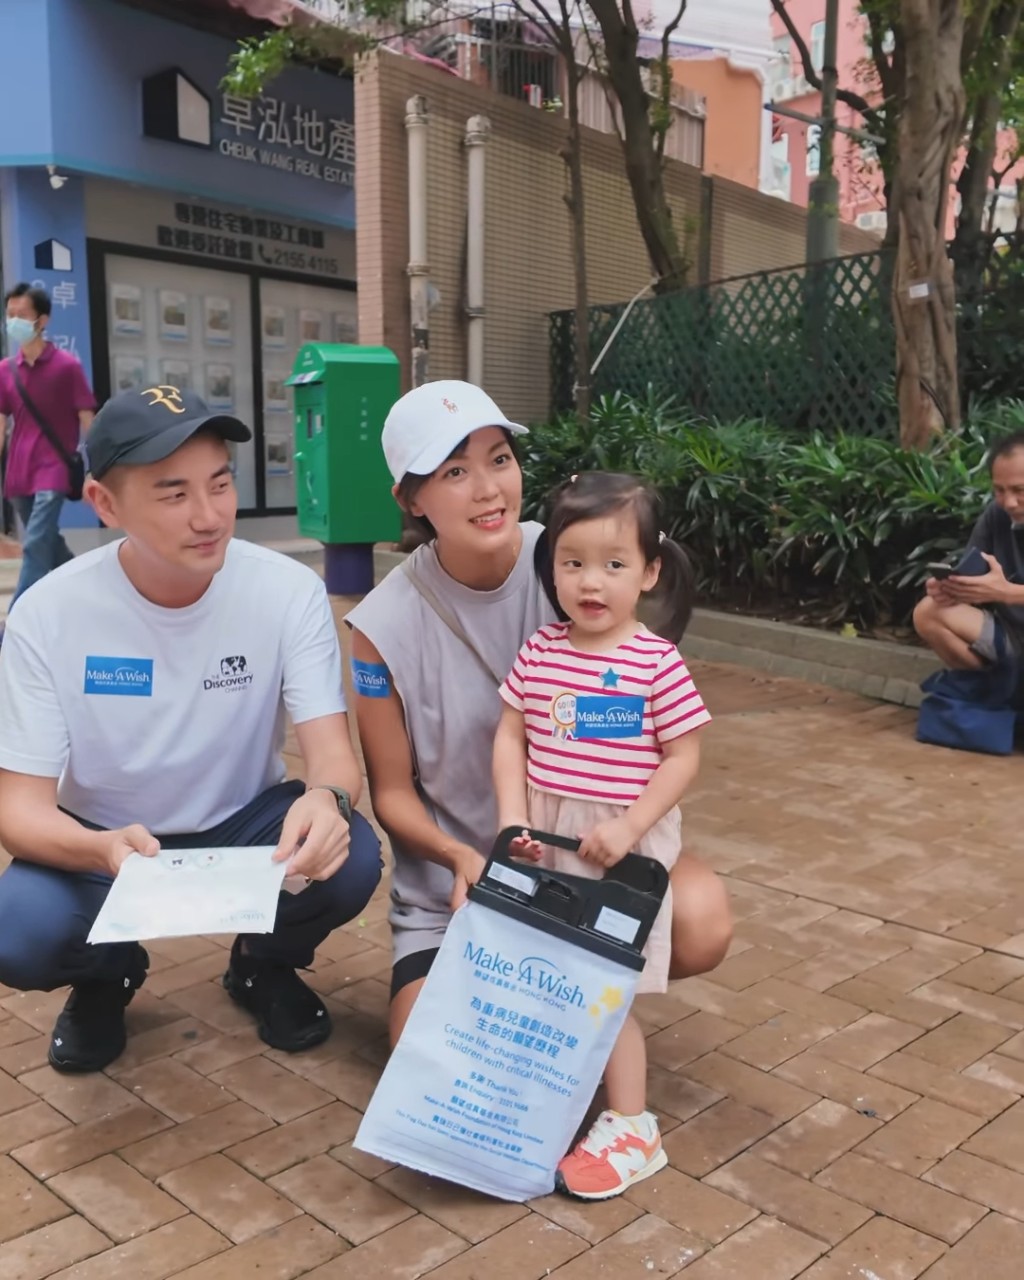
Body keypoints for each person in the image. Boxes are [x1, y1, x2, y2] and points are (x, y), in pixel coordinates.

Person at [347, 380, 731, 1066]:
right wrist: (467, 859)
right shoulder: (381, 624)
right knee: (427, 1059)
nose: (488, 488)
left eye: (499, 459)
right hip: (462, 887)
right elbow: (393, 795)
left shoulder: (570, 556)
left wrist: (627, 826)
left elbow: (648, 660)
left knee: (701, 921)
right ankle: (551, 1016)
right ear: (411, 498)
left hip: (581, 862)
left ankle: (572, 1007)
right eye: (455, 472)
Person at [0, 385, 382, 1074]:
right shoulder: (48, 614)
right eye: (173, 494)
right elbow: (19, 812)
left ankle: (261, 964)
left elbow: (334, 758)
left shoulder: (285, 591)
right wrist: (100, 849)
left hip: (244, 824)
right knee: (20, 931)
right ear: (107, 504)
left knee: (349, 859)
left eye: (220, 484)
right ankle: (106, 975)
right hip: (105, 832)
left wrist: (327, 801)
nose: (209, 517)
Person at [493, 471, 710, 1200]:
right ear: (550, 565)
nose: (592, 582)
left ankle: (631, 1124)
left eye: (614, 565)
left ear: (649, 573)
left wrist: (630, 826)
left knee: (603, 987)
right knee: (554, 973)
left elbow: (684, 757)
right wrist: (511, 819)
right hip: (550, 836)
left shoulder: (656, 662)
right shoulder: (542, 651)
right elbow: (509, 736)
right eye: (573, 561)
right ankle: (564, 1093)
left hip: (623, 848)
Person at [0, 283, 96, 606]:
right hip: (18, 471)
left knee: (36, 541)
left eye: (21, 315)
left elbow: (87, 417)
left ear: (42, 320)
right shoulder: (5, 371)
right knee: (46, 541)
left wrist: (96, 468)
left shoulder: (67, 366)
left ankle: (17, 617)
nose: (14, 321)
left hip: (54, 466)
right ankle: (85, 584)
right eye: (9, 314)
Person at [914, 432, 1024, 670]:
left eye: (1019, 490)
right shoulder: (997, 515)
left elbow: (1001, 591)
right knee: (928, 612)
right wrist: (951, 589)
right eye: (999, 490)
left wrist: (1008, 593)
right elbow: (971, 574)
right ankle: (997, 692)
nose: (1009, 502)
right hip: (1014, 635)